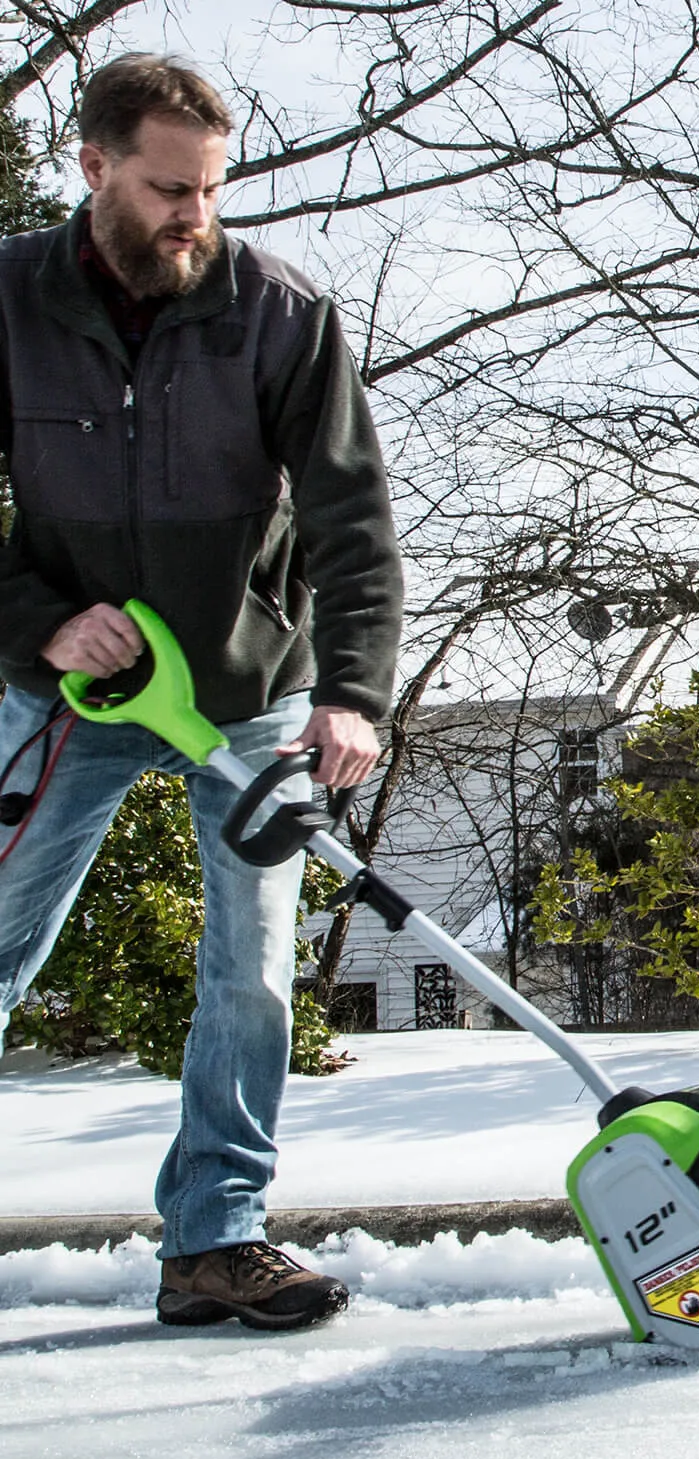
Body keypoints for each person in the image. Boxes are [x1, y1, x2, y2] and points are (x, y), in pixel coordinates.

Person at [0, 54, 403, 1331]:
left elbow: (351, 516)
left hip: (244, 692)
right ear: (95, 167)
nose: (196, 216)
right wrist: (43, 627)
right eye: (171, 189)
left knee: (252, 970)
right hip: (77, 694)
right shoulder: (9, 300)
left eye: (212, 192)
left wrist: (350, 692)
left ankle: (215, 1239)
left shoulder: (276, 312)